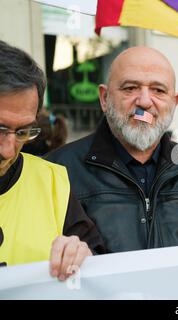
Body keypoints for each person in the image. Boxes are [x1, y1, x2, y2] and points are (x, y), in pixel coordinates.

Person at [47, 46, 178, 253]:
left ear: (174, 102)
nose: (144, 102)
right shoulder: (56, 172)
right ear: (104, 98)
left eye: (158, 91)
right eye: (130, 88)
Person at [0, 40, 105, 280]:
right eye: (0, 128)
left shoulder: (51, 181)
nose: (8, 150)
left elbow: (96, 263)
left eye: (22, 132)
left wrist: (81, 254)